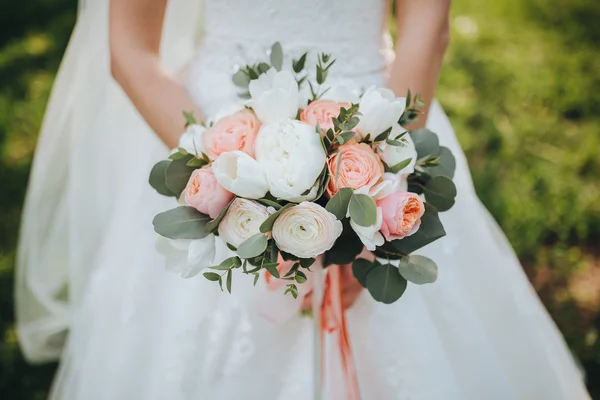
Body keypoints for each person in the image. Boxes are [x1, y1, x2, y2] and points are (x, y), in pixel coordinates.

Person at [16, 0, 592, 399]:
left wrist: (375, 187)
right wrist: (228, 179)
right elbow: (130, 53)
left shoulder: (380, 158)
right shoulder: (217, 159)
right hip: (208, 128)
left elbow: (428, 28)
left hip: (382, 116)